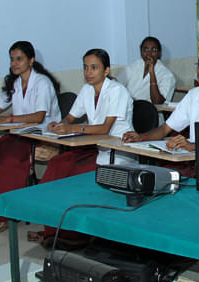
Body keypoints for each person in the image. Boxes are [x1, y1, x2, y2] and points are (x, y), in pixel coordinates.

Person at [26, 48, 136, 247]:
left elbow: (105, 128)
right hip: (95, 147)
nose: (89, 72)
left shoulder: (117, 91)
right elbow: (71, 117)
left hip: (117, 151)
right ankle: (52, 228)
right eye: (85, 67)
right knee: (58, 165)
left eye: (94, 67)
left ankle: (75, 234)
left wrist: (73, 127)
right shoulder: (87, 90)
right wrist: (58, 124)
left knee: (75, 175)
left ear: (106, 70)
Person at [0, 41, 61, 233]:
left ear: (31, 60)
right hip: (19, 135)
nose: (14, 64)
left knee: (8, 162)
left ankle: (2, 216)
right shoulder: (13, 83)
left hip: (40, 136)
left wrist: (7, 119)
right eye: (12, 59)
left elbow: (38, 117)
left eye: (19, 59)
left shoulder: (42, 83)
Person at [117, 36, 176, 104]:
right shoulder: (134, 66)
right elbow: (117, 86)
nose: (149, 53)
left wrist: (152, 72)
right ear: (141, 52)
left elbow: (157, 101)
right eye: (145, 50)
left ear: (159, 53)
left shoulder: (167, 75)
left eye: (153, 50)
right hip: (129, 107)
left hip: (150, 111)